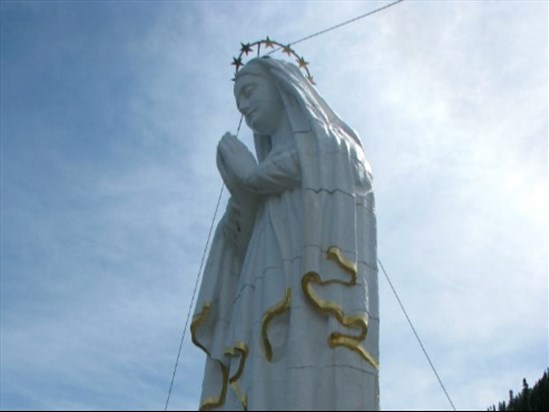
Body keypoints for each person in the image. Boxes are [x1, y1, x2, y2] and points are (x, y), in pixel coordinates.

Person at [191, 56, 379, 411]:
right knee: (260, 371)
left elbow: (353, 168)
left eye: (249, 92)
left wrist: (252, 178)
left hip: (307, 287)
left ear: (281, 86)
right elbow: (241, 246)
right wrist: (243, 200)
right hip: (260, 288)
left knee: (301, 362)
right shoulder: (265, 175)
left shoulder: (332, 145)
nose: (244, 107)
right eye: (238, 103)